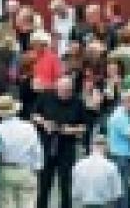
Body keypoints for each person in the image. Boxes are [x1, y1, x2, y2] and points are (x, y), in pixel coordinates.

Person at [32, 74, 88, 208]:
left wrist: (71, 130)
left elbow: (84, 127)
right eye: (62, 90)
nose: (64, 93)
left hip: (66, 147)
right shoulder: (46, 96)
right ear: (57, 87)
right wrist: (44, 123)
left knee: (66, 185)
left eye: (68, 90)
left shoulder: (77, 102)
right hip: (47, 144)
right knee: (44, 184)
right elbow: (34, 115)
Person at [0, 94, 44, 208]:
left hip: (5, 170)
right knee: (28, 204)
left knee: (6, 204)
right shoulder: (28, 127)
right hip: (25, 170)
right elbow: (37, 150)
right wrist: (36, 169)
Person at [106, 88, 130, 205]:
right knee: (124, 191)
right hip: (121, 158)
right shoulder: (119, 117)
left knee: (126, 190)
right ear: (128, 101)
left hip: (126, 156)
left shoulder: (126, 114)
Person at [73, 135, 125, 207]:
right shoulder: (111, 166)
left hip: (85, 203)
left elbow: (76, 193)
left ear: (91, 147)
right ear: (106, 147)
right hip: (105, 204)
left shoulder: (78, 166)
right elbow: (117, 193)